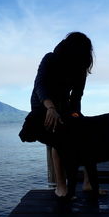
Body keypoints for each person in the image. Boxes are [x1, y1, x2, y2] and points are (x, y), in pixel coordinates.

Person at [19, 32, 93, 197]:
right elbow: (40, 85)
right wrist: (50, 108)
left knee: (86, 133)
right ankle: (61, 187)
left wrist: (76, 115)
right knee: (57, 137)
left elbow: (76, 96)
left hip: (63, 104)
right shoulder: (50, 59)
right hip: (42, 103)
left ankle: (89, 184)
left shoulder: (80, 67)